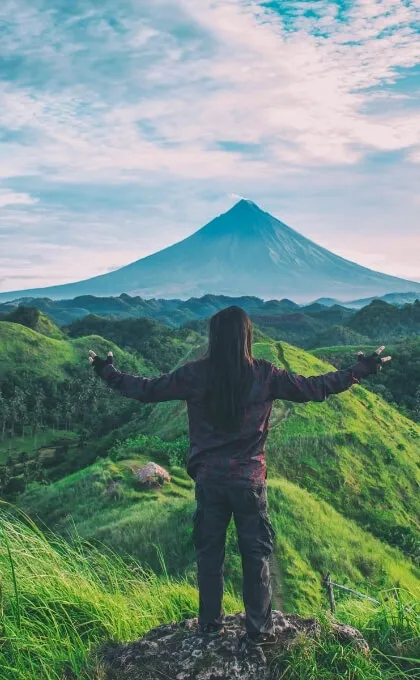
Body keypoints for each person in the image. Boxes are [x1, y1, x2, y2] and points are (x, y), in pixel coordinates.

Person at [88, 305, 391, 647]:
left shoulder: (195, 374)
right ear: (247, 337)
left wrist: (107, 372)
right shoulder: (265, 374)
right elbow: (314, 388)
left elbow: (146, 389)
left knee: (209, 555)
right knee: (256, 556)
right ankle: (259, 631)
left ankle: (209, 627)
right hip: (249, 483)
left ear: (214, 338)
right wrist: (359, 370)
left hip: (210, 482)